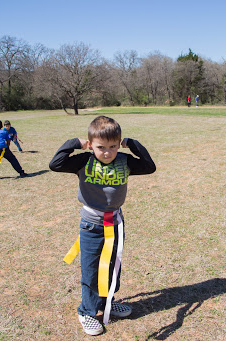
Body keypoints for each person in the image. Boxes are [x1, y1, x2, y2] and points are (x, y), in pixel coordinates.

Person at [49, 115, 156, 336]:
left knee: (111, 267)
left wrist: (133, 144)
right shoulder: (83, 160)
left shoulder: (124, 161)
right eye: (100, 147)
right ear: (90, 145)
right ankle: (86, 312)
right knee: (90, 270)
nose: (107, 153)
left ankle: (107, 301)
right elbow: (55, 164)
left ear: (119, 144)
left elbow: (149, 166)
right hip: (91, 225)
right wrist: (75, 143)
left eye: (112, 146)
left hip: (116, 223)